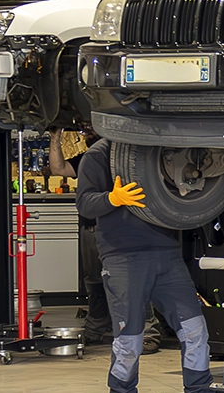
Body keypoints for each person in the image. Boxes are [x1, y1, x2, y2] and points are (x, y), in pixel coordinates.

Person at [61, 135, 224, 393]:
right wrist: (113, 198)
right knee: (129, 339)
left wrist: (219, 196)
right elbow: (85, 204)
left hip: (167, 255)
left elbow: (186, 192)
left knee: (195, 330)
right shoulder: (99, 155)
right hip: (123, 257)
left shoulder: (162, 151)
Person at [49, 131, 161, 354]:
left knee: (136, 281)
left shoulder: (138, 154)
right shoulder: (91, 157)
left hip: (130, 228)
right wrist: (55, 139)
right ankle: (95, 328)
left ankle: (148, 332)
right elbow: (58, 170)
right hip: (94, 228)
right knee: (96, 281)